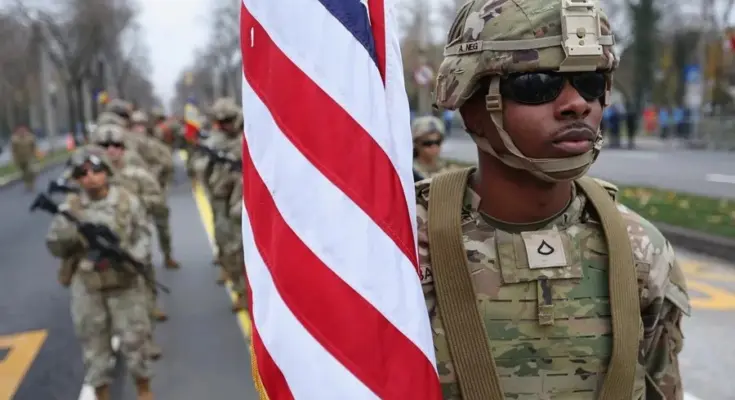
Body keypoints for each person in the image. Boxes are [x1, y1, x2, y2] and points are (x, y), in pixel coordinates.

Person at [419, 1, 690, 399]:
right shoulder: (403, 245)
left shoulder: (639, 249)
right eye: (537, 84)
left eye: (591, 82)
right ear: (470, 105)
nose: (577, 104)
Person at [45, 151, 154, 400]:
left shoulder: (127, 201)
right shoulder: (70, 208)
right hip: (88, 285)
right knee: (94, 344)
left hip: (125, 281)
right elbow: (54, 246)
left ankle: (144, 390)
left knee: (136, 340)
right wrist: (71, 231)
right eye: (82, 173)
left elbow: (144, 235)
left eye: (96, 171)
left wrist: (132, 255)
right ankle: (101, 393)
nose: (91, 177)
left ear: (106, 172)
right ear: (76, 179)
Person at [10, 126, 37, 191]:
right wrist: (14, 159)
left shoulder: (30, 138)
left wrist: (34, 155)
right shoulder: (15, 139)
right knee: (24, 173)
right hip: (20, 159)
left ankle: (31, 184)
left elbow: (33, 147)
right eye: (20, 131)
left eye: (23, 131)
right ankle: (27, 184)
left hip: (28, 158)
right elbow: (13, 150)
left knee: (30, 171)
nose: (22, 133)